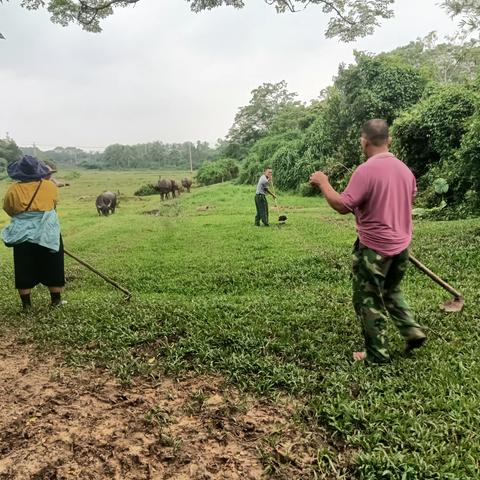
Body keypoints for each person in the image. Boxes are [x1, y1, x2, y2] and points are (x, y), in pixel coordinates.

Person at [309, 119, 426, 364]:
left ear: (364, 141)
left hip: (375, 249)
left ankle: (377, 355)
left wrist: (323, 182)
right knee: (392, 290)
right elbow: (406, 201)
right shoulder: (405, 170)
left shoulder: (365, 171)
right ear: (389, 140)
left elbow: (342, 205)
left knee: (368, 299)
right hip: (402, 245)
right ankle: (411, 329)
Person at [2, 155, 65, 309]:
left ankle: (27, 305)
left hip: (22, 233)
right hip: (47, 232)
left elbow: (9, 210)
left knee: (24, 265)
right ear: (39, 171)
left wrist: (26, 219)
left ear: (19, 173)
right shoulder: (50, 186)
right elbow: (53, 203)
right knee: (53, 263)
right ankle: (56, 302)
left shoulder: (13, 190)